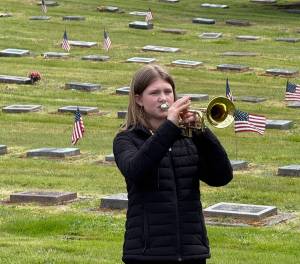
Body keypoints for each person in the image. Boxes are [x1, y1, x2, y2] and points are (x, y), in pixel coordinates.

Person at [113, 64, 233, 264]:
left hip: (192, 252)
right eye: (154, 93)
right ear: (138, 99)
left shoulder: (188, 138)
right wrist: (169, 126)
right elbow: (136, 171)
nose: (163, 98)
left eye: (168, 91)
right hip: (146, 253)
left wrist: (201, 132)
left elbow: (221, 176)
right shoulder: (126, 139)